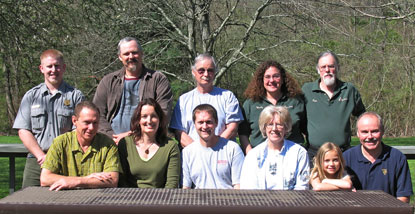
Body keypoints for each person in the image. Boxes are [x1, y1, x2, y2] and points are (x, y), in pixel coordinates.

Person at [13, 49, 84, 188]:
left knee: (64, 205)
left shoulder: (76, 96)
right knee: (28, 204)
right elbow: (23, 130)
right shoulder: (31, 96)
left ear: (63, 68)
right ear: (41, 68)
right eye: (49, 66)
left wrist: (58, 155)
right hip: (36, 161)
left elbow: (80, 130)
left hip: (65, 160)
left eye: (57, 66)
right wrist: (41, 156)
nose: (53, 70)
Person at [93, 37, 173, 144]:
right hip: (112, 142)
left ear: (141, 54)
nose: (131, 57)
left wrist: (132, 135)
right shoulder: (108, 81)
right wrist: (112, 137)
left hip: (147, 142)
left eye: (134, 53)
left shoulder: (157, 80)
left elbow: (163, 114)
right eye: (126, 54)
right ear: (120, 57)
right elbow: (97, 113)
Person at [40, 101, 121, 191]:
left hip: (99, 198)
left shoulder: (108, 145)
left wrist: (77, 182)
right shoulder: (60, 143)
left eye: (95, 123)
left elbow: (113, 180)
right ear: (74, 121)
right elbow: (45, 179)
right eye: (87, 122)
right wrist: (88, 179)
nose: (91, 128)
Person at [170, 54, 243, 148]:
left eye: (210, 70)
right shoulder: (183, 100)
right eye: (201, 70)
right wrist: (198, 152)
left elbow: (232, 128)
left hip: (222, 153)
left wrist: (215, 147)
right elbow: (179, 132)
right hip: (192, 156)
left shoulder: (227, 96)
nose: (206, 74)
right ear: (193, 72)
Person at [302, 51, 365, 160]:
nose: (327, 70)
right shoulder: (307, 90)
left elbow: (363, 117)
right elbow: (296, 117)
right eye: (323, 67)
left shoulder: (348, 90)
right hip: (315, 154)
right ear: (318, 69)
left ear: (337, 67)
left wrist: (364, 135)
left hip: (343, 154)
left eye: (331, 66)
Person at [343, 112, 413, 203]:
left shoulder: (397, 158)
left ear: (383, 131)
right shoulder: (346, 158)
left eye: (375, 131)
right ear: (357, 134)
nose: (370, 136)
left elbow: (403, 197)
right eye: (364, 132)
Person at [239, 60, 306, 154]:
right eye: (267, 77)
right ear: (261, 80)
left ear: (283, 79)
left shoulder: (296, 101)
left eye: (276, 76)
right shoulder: (251, 104)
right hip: (261, 158)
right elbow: (243, 133)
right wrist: (250, 154)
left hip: (292, 156)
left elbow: (307, 129)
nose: (272, 80)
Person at [240, 106, 309, 190]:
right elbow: (248, 187)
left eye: (279, 124)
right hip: (260, 202)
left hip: (292, 202)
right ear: (264, 127)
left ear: (286, 127)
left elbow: (302, 186)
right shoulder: (253, 155)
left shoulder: (299, 153)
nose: (274, 128)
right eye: (270, 124)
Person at [118, 98, 180, 188]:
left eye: (154, 116)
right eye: (144, 116)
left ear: (160, 119)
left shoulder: (170, 146)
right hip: (129, 198)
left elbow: (172, 184)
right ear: (138, 120)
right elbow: (122, 181)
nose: (149, 120)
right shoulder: (125, 144)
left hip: (161, 199)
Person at [182, 104, 244, 189]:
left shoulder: (232, 149)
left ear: (216, 123)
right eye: (200, 122)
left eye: (209, 122)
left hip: (228, 200)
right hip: (198, 200)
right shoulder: (187, 152)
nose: (204, 126)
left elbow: (238, 185)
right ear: (194, 124)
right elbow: (186, 187)